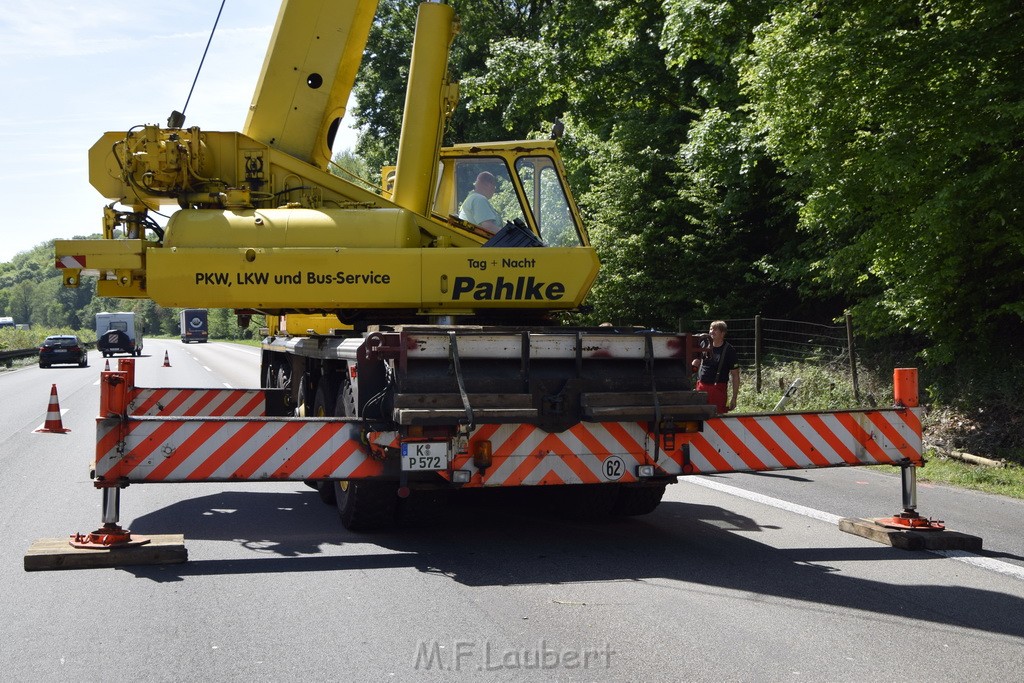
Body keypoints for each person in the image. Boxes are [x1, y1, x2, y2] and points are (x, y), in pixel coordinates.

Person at [692, 320, 740, 413]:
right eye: (710, 329)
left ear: (723, 333)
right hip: (701, 387)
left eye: (715, 330)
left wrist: (734, 398)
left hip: (718, 390)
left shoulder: (729, 350)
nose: (711, 332)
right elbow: (696, 359)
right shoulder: (704, 344)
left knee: (717, 420)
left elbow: (735, 375)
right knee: (698, 418)